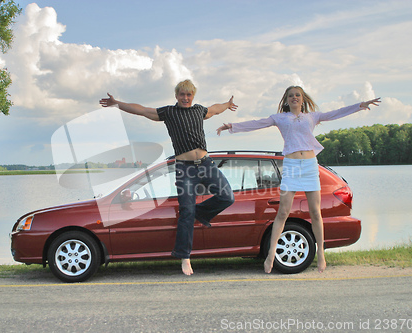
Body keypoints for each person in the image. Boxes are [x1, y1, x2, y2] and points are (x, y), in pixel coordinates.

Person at [217, 85, 381, 273]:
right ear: (286, 100)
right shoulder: (279, 118)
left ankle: (321, 254)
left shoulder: (312, 117)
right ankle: (271, 254)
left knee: (315, 212)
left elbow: (335, 113)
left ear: (303, 99)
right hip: (292, 167)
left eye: (297, 95)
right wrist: (232, 126)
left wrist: (360, 105)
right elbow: (257, 123)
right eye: (291, 96)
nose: (294, 98)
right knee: (283, 212)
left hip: (310, 165)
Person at [99, 79, 237, 275]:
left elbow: (215, 108)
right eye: (182, 94)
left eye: (189, 95)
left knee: (227, 197)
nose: (185, 98)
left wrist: (228, 104)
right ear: (176, 96)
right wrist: (117, 104)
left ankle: (199, 213)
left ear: (193, 96)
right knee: (186, 212)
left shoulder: (199, 111)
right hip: (185, 169)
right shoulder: (169, 113)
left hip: (206, 164)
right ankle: (185, 257)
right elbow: (142, 110)